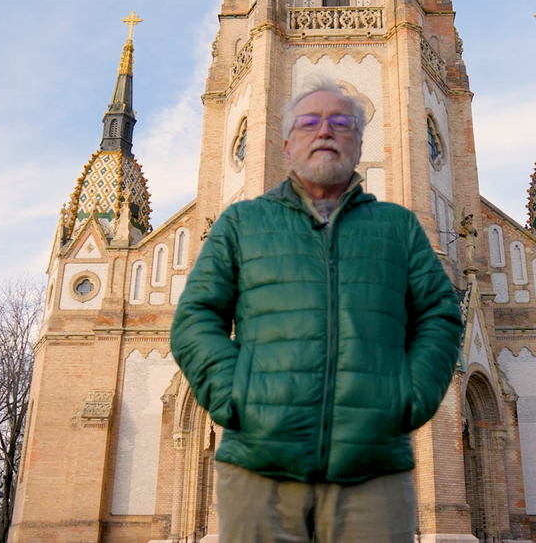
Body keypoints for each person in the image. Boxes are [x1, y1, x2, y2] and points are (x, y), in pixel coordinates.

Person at [171, 77, 463, 543]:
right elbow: (195, 318)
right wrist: (236, 396)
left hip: (372, 473)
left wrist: (409, 399)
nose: (325, 131)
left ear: (360, 141)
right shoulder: (241, 222)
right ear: (285, 144)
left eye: (341, 122)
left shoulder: (400, 227)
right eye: (309, 122)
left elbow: (441, 316)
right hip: (259, 471)